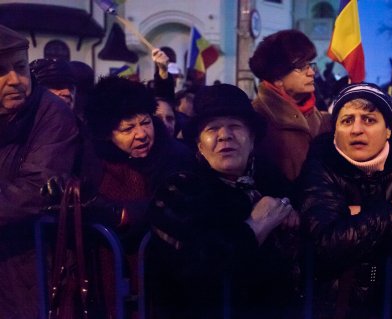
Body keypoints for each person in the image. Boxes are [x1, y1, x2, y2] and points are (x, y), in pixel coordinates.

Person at [296, 83, 392, 319]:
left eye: (368, 120)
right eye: (347, 120)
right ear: (335, 130)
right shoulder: (320, 167)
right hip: (337, 304)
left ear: (388, 130)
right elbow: (327, 241)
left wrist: (359, 215)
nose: (357, 129)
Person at [148, 84, 301, 319]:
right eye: (212, 128)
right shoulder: (178, 189)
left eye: (235, 127)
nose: (224, 135)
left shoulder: (270, 181)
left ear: (252, 141)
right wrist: (255, 226)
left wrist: (290, 211)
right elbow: (197, 267)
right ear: (199, 144)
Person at [83, 75, 194, 318]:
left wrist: (120, 214)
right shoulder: (92, 160)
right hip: (105, 288)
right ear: (106, 134)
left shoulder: (176, 156)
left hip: (164, 288)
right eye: (128, 128)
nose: (142, 134)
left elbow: (176, 204)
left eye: (145, 122)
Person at [0, 24, 79, 319]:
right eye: (1, 71)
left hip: (30, 266)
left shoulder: (52, 114)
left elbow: (34, 189)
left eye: (20, 67)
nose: (16, 80)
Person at [249, 29, 331, 181]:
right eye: (301, 67)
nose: (311, 72)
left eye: (310, 64)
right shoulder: (255, 119)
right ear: (278, 77)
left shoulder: (324, 120)